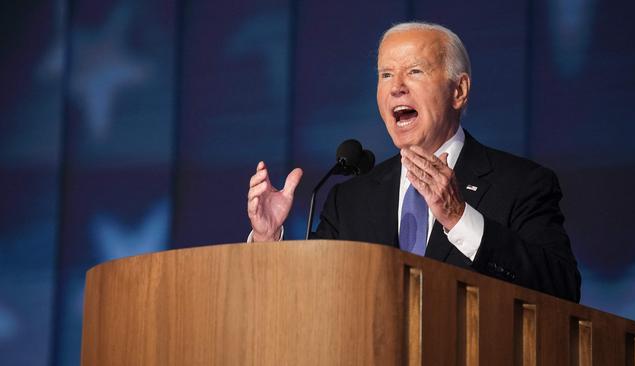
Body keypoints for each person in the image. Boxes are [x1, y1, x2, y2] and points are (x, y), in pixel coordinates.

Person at [246, 22, 581, 302]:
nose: (396, 88)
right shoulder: (350, 200)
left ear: (459, 91)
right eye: (386, 75)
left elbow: (562, 287)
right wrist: (266, 240)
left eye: (415, 71)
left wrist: (459, 217)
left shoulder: (522, 183)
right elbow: (304, 296)